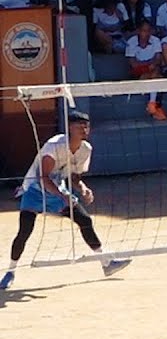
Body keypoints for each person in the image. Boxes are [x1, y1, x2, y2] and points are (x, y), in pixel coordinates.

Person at [1, 111, 130, 290]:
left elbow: (74, 176)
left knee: (84, 220)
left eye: (87, 126)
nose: (85, 129)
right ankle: (10, 271)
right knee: (24, 231)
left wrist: (83, 188)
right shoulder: (53, 146)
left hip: (57, 189)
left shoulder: (86, 149)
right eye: (80, 126)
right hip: (34, 189)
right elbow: (43, 177)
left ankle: (106, 262)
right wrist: (63, 195)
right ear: (70, 128)